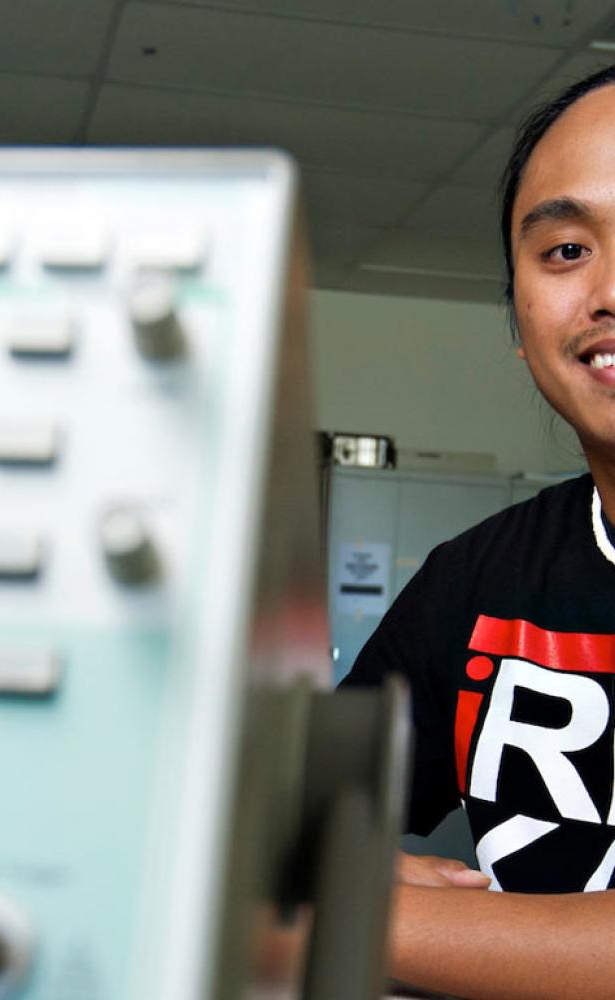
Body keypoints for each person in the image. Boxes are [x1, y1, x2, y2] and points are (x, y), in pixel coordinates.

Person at [341, 63, 615, 999]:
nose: (608, 291)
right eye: (568, 251)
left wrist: (333, 914)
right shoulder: (477, 581)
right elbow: (282, 828)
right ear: (520, 321)